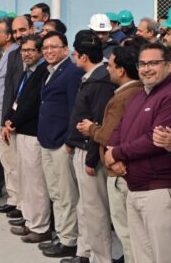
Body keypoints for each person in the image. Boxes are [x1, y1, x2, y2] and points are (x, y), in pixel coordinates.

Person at [106, 42, 171, 263]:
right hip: (134, 186)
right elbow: (119, 129)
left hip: (159, 189)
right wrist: (113, 154)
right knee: (141, 255)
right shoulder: (138, 95)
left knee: (163, 256)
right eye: (142, 64)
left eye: (153, 63)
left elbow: (154, 140)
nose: (146, 69)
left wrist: (117, 153)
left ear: (168, 66)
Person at [76, 45, 142, 263]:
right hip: (122, 166)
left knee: (126, 232)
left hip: (119, 170)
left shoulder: (123, 97)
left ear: (121, 70)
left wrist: (91, 129)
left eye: (111, 66)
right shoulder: (136, 92)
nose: (107, 69)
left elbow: (110, 134)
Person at [65, 31, 117, 263]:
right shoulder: (92, 78)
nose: (73, 56)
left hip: (90, 152)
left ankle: (100, 257)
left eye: (75, 53)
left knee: (95, 210)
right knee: (85, 207)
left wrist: (91, 159)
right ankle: (85, 252)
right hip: (82, 148)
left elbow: (99, 122)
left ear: (83, 56)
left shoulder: (101, 82)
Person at [37, 31, 84, 259]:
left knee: (67, 195)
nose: (49, 51)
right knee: (55, 193)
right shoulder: (51, 71)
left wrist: (69, 140)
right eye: (45, 47)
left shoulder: (72, 72)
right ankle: (62, 233)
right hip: (47, 140)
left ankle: (69, 241)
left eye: (53, 47)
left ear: (66, 49)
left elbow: (75, 108)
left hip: (62, 143)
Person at [2, 35, 52, 244]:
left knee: (36, 183)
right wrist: (9, 119)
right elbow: (18, 99)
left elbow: (32, 103)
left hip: (33, 132)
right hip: (20, 130)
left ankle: (40, 227)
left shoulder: (42, 71)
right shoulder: (27, 71)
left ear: (40, 52)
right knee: (25, 180)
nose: (26, 54)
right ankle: (30, 220)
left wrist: (13, 120)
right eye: (23, 50)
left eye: (31, 50)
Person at [0, 14, 34, 220]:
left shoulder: (39, 53)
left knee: (31, 172)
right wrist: (6, 118)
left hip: (31, 123)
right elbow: (9, 89)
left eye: (22, 30)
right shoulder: (13, 55)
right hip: (13, 119)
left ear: (32, 28)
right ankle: (18, 203)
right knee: (14, 165)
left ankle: (29, 210)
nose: (18, 35)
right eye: (14, 32)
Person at [0, 17, 21, 214]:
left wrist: (6, 118)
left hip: (5, 116)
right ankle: (13, 196)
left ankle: (17, 200)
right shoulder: (2, 54)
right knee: (7, 161)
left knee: (12, 162)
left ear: (8, 36)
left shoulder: (14, 55)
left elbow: (11, 89)